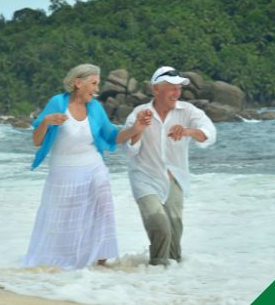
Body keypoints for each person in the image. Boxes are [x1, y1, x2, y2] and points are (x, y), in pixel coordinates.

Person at [23, 64, 149, 270]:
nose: (97, 89)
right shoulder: (57, 103)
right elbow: (37, 141)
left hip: (93, 166)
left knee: (104, 206)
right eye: (93, 83)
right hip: (63, 172)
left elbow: (112, 136)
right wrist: (46, 122)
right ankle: (67, 261)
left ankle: (102, 261)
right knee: (64, 219)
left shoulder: (95, 108)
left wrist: (136, 128)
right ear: (77, 83)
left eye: (97, 84)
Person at [122, 66, 216, 266]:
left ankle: (172, 280)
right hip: (144, 178)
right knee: (159, 224)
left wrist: (189, 131)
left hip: (175, 179)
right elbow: (130, 150)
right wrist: (138, 128)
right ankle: (157, 268)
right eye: (172, 88)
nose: (177, 93)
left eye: (179, 89)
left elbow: (210, 133)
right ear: (156, 89)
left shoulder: (188, 111)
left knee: (175, 232)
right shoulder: (138, 113)